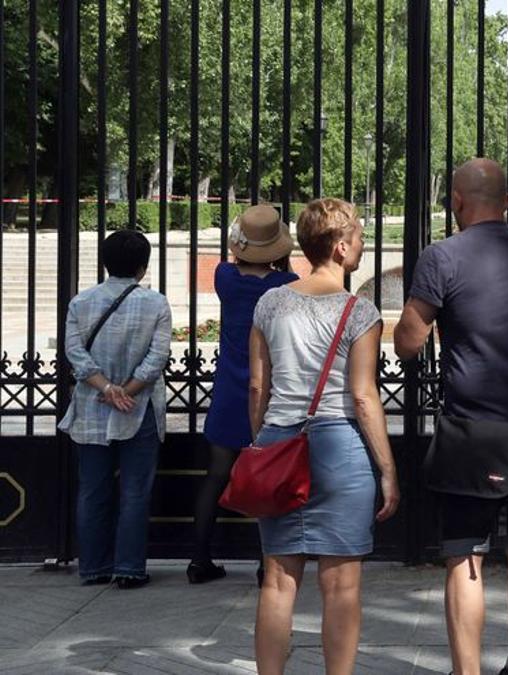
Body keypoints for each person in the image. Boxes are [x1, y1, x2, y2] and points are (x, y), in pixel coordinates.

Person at [393, 158, 508, 675]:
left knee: (464, 554)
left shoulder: (441, 257)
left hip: (472, 429)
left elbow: (408, 340)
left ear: (456, 201)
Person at [249, 198, 400, 675]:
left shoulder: (270, 302)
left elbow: (257, 385)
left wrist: (264, 444)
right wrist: (388, 469)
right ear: (340, 247)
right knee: (341, 585)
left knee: (277, 581)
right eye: (357, 237)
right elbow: (362, 396)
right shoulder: (360, 312)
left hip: (279, 437)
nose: (360, 244)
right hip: (340, 447)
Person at [189, 205, 298, 585]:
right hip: (268, 387)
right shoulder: (285, 285)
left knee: (216, 475)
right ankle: (267, 563)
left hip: (228, 389)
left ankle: (199, 559)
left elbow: (230, 260)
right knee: (270, 478)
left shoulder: (224, 277)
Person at [60, 229, 172, 589]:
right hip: (138, 408)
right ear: (143, 267)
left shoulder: (81, 302)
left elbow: (74, 354)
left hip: (92, 406)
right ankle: (128, 568)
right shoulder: (156, 303)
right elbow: (158, 358)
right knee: (135, 491)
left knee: (92, 490)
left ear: (106, 262)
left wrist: (106, 388)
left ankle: (92, 567)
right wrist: (128, 390)